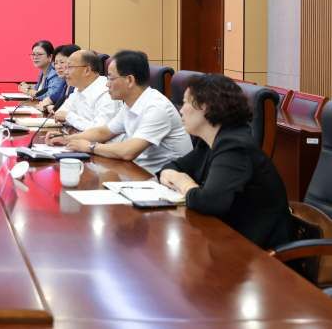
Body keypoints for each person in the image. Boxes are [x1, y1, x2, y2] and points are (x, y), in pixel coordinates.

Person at [159, 74, 292, 249]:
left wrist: (184, 183)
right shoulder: (210, 142)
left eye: (185, 103)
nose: (181, 110)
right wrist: (178, 178)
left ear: (206, 107)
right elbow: (171, 167)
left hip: (258, 252)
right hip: (228, 238)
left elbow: (208, 202)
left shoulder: (234, 147)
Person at [48, 50, 192, 174]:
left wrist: (90, 147)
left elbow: (128, 151)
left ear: (129, 80)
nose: (107, 84)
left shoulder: (156, 107)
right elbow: (104, 132)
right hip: (138, 171)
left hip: (162, 180)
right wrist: (68, 139)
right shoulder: (131, 103)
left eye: (111, 78)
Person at [51, 49, 120, 131]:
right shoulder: (78, 87)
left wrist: (69, 117)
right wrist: (69, 118)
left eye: (70, 67)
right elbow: (60, 113)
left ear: (87, 70)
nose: (65, 72)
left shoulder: (107, 92)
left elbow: (100, 130)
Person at [37, 44, 80, 113]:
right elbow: (52, 98)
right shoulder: (65, 83)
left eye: (62, 62)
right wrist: (48, 106)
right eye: (56, 63)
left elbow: (66, 110)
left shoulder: (79, 85)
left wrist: (51, 108)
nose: (58, 67)